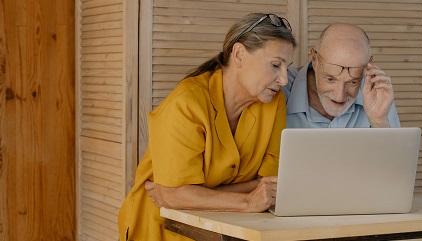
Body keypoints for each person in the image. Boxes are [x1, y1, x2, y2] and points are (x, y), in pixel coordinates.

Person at [118, 13, 296, 241]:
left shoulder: (273, 102)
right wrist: (248, 199)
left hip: (225, 229)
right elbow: (174, 198)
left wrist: (188, 194)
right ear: (239, 54)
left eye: (286, 67)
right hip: (160, 228)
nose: (283, 79)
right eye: (275, 65)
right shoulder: (185, 104)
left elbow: (269, 187)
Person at [282, 23, 401, 128]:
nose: (339, 97)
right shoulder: (280, 87)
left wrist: (379, 121)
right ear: (314, 59)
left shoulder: (376, 92)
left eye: (353, 82)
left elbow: (399, 154)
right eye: (330, 79)